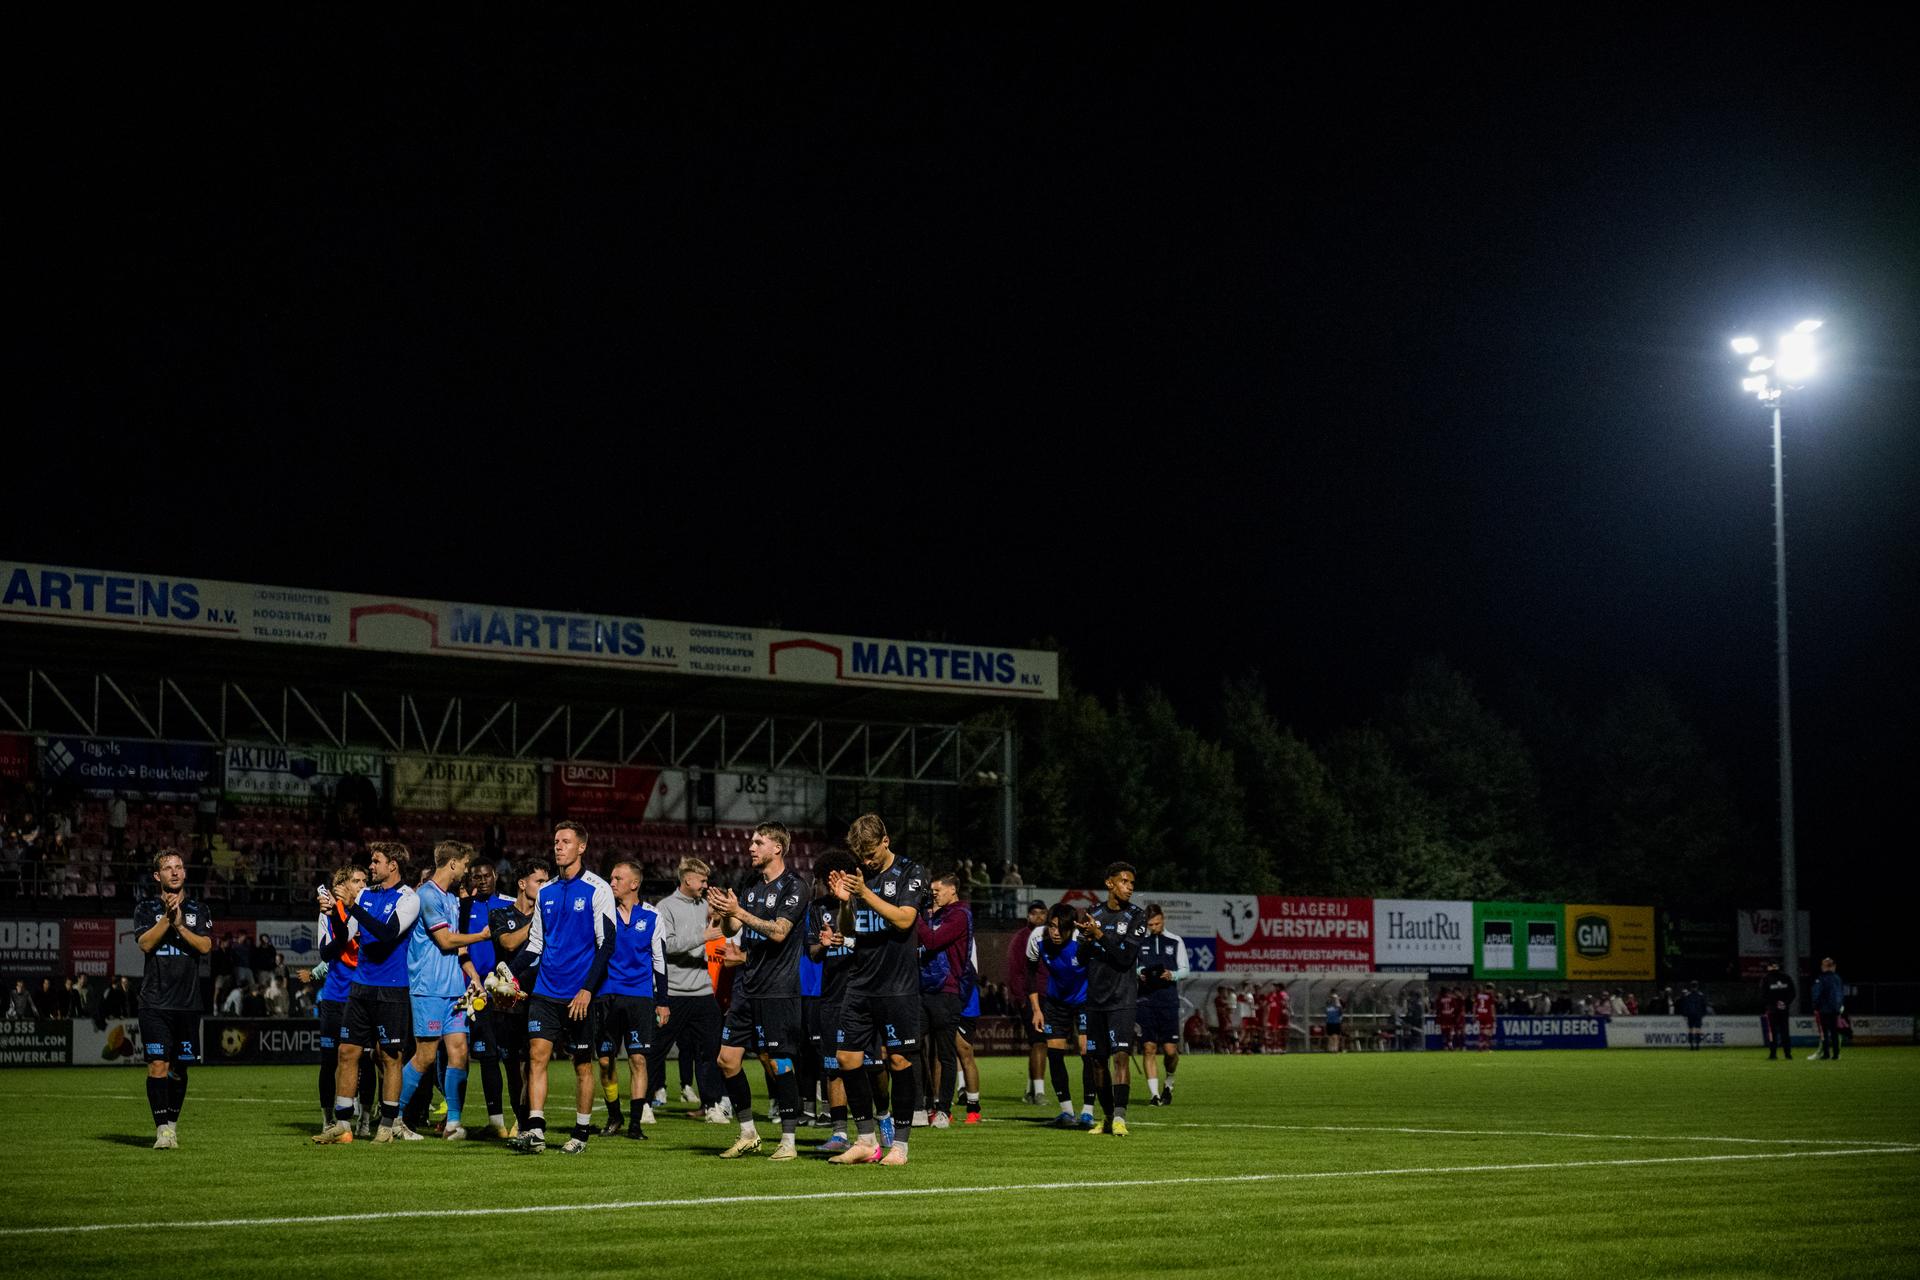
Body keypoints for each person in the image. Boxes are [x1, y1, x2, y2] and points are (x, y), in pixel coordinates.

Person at [825, 813, 930, 1167]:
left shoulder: (912, 873)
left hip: (897, 985)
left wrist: (864, 892)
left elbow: (904, 919)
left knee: (898, 1060)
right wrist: (843, 901)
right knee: (846, 1058)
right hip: (860, 982)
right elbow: (850, 930)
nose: (866, 862)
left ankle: (899, 1146)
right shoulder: (859, 878)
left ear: (886, 841)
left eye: (870, 854)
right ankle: (866, 1140)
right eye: (862, 857)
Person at [509, 822, 615, 1155]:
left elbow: (606, 944)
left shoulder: (598, 889)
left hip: (579, 995)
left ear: (581, 847)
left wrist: (586, 989)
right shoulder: (547, 892)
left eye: (566, 842)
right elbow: (535, 944)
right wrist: (506, 973)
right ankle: (536, 1130)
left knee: (582, 1063)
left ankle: (581, 1133)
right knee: (536, 1057)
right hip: (545, 990)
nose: (558, 847)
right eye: (556, 841)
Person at [707, 822, 809, 1160]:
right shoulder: (750, 883)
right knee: (727, 1060)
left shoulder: (794, 886)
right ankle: (748, 1132)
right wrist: (725, 914)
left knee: (778, 1063)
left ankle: (789, 1141)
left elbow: (779, 932)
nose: (751, 847)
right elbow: (733, 927)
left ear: (777, 847)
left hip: (778, 989)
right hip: (746, 987)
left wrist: (738, 912)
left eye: (758, 842)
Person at [315, 841, 418, 1143]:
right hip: (359, 987)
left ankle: (386, 1125)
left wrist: (352, 905)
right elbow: (346, 934)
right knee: (347, 1052)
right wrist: (334, 911)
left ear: (393, 865)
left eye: (376, 861)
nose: (371, 867)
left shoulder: (408, 898)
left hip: (391, 989)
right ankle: (343, 1124)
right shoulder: (366, 895)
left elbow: (388, 934)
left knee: (390, 1057)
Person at [398, 841, 491, 1141]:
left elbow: (459, 948)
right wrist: (483, 935)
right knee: (425, 1056)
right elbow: (446, 940)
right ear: (452, 864)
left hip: (453, 990)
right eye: (464, 863)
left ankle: (453, 1122)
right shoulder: (425, 895)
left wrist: (474, 977)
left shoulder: (450, 899)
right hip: (428, 988)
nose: (467, 869)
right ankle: (394, 1116)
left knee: (459, 1052)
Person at [133, 848, 211, 1149]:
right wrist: (167, 919)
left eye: (179, 867)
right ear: (158, 876)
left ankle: (173, 1125)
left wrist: (180, 924)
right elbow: (145, 943)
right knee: (158, 1064)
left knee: (180, 1069)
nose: (175, 872)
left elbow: (205, 947)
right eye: (168, 868)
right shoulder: (145, 908)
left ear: (185, 873)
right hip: (154, 1002)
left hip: (188, 1004)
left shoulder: (199, 910)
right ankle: (162, 1130)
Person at [648, 857, 725, 1119]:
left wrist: (719, 918)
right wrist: (703, 937)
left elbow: (722, 931)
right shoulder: (665, 907)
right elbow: (665, 946)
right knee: (657, 1050)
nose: (705, 885)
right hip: (674, 993)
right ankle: (645, 1103)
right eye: (702, 880)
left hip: (703, 992)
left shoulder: (706, 906)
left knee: (710, 1051)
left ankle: (711, 1106)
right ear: (688, 879)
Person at [1076, 862, 1145, 1136]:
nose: (1129, 888)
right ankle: (1105, 1118)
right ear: (1109, 883)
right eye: (1124, 882)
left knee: (1120, 1057)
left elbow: (1126, 957)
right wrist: (1084, 938)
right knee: (1096, 1061)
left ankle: (1120, 1117)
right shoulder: (1093, 914)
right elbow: (1081, 959)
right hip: (1095, 999)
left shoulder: (1137, 917)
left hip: (1123, 998)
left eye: (1131, 883)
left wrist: (1099, 936)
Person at [593, 859, 660, 1139]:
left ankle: (635, 1124)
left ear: (634, 884)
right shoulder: (603, 914)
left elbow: (660, 960)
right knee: (606, 1061)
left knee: (638, 1061)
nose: (612, 883)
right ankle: (614, 1116)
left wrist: (663, 1000)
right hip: (606, 995)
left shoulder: (653, 916)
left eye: (617, 878)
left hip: (640, 997)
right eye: (611, 878)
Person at [307, 863, 374, 1131]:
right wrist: (343, 923)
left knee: (367, 1060)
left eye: (364, 880)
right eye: (356, 881)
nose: (362, 886)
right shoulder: (328, 911)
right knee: (329, 1060)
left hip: (365, 993)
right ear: (342, 885)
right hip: (336, 995)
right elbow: (326, 952)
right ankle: (327, 1119)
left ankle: (366, 1119)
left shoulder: (371, 910)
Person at [488, 857, 551, 1133]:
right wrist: (538, 921)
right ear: (522, 884)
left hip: (539, 1000)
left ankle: (528, 1122)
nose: (544, 886)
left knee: (533, 1062)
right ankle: (522, 1118)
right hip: (508, 1002)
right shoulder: (500, 915)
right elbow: (509, 943)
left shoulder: (552, 915)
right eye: (539, 881)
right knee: (513, 1067)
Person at [461, 859, 516, 1138]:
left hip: (505, 992)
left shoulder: (509, 904)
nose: (481, 881)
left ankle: (521, 1119)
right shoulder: (464, 908)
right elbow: (460, 948)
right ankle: (496, 1123)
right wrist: (473, 979)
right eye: (476, 877)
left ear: (495, 875)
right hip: (476, 992)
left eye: (486, 875)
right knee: (487, 1056)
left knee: (513, 1056)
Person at [916, 870, 975, 1127]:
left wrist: (912, 915)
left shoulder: (960, 915)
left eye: (938, 890)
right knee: (913, 1046)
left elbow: (931, 941)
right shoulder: (936, 915)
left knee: (945, 1053)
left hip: (947, 992)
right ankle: (920, 1106)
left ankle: (942, 1110)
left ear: (953, 890)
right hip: (923, 991)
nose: (934, 895)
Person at [1027, 902, 1091, 1127]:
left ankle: (1088, 1112)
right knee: (1054, 1054)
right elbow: (1031, 973)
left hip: (1085, 1001)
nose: (1055, 932)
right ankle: (1066, 1112)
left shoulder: (1082, 941)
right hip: (1055, 1002)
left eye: (1060, 928)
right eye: (1052, 927)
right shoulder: (1037, 939)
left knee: (1087, 1051)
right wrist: (1036, 1009)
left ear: (1070, 928)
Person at [1136, 903, 1188, 1105]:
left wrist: (1172, 974)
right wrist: (1140, 972)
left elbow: (1185, 969)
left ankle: (1169, 1081)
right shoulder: (1140, 941)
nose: (1154, 927)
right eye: (1150, 924)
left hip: (1168, 1002)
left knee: (1170, 1052)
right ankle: (1154, 1095)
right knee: (1148, 1048)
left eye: (1157, 923)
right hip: (1145, 1002)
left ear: (1163, 919)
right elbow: (1132, 966)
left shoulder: (1175, 941)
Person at [1006, 899, 1050, 1103]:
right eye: (1034, 913)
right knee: (1040, 1042)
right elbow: (1015, 971)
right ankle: (1039, 1092)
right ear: (1028, 916)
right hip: (1031, 997)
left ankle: (1031, 1090)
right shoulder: (1021, 938)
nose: (1039, 916)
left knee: (1040, 1044)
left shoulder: (1051, 935)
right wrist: (1020, 998)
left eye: (1042, 913)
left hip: (1050, 996)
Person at [1760, 961, 1796, 1061]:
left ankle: (1773, 1054)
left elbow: (1763, 995)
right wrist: (1785, 1003)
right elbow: (1792, 993)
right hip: (1783, 1009)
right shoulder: (1786, 977)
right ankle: (1788, 1054)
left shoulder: (1766, 979)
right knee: (1785, 1032)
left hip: (1772, 1010)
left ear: (1769, 967)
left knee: (1773, 1032)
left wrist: (1774, 1004)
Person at [1812, 957, 1845, 1061]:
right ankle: (1836, 1054)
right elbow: (1840, 994)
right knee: (1834, 1033)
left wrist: (1816, 1006)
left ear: (1824, 966)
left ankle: (1826, 1053)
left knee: (1824, 1032)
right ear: (1833, 967)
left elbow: (1816, 994)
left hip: (1824, 1009)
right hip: (1835, 1009)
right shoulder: (1838, 978)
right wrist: (1839, 1006)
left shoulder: (1821, 979)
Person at [1677, 980, 1708, 1051]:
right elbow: (1704, 1006)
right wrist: (1703, 1014)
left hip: (1690, 1016)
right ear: (1697, 987)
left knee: (1691, 1030)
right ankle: (1697, 1045)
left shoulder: (1688, 996)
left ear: (1691, 987)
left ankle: (1691, 1046)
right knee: (1698, 1030)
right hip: (1698, 1015)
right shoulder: (1700, 995)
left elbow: (1685, 1006)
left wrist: (1685, 1014)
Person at [1473, 984, 1498, 1052]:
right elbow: (1492, 1007)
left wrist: (1474, 1015)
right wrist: (1494, 1017)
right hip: (1487, 1016)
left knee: (1482, 1031)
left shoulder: (1478, 995)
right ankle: (1483, 1047)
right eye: (1493, 990)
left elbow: (1475, 1006)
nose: (1493, 991)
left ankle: (1483, 1047)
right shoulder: (1490, 996)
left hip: (1480, 1015)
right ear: (1490, 989)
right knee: (1488, 1032)